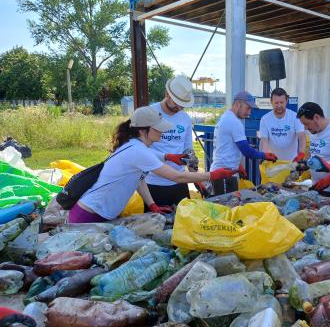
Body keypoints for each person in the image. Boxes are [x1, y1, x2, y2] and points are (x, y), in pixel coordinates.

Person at [68, 106, 236, 223]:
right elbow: (177, 176)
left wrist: (152, 204)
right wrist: (212, 175)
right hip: (89, 215)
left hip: (99, 212)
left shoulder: (135, 146)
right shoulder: (138, 150)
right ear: (143, 130)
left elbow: (138, 180)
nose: (162, 131)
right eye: (157, 128)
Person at [146, 75, 207, 207]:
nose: (179, 107)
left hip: (179, 182)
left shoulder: (184, 118)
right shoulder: (150, 113)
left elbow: (188, 149)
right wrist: (167, 157)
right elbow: (141, 150)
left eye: (183, 105)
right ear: (167, 94)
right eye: (176, 103)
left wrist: (195, 177)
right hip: (154, 183)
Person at [210, 91, 278, 195]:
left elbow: (231, 147)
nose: (249, 112)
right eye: (248, 108)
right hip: (224, 174)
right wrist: (265, 155)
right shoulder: (234, 122)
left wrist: (238, 166)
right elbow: (246, 151)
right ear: (238, 104)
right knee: (227, 208)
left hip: (224, 172)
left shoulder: (226, 117)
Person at [296, 102, 330, 193]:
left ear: (316, 117)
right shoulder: (313, 130)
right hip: (316, 186)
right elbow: (312, 150)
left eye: (306, 124)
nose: (305, 128)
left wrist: (329, 180)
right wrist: (305, 164)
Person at [259, 87, 306, 161]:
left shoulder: (295, 117)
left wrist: (301, 154)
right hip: (272, 162)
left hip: (291, 163)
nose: (279, 106)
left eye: (281, 102)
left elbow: (301, 136)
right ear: (271, 101)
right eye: (276, 103)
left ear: (286, 101)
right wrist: (264, 155)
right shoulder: (265, 119)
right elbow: (264, 140)